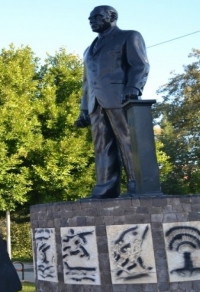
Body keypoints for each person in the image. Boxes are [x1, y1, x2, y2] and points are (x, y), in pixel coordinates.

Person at [74, 5, 150, 199]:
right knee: (102, 146)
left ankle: (137, 184)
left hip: (120, 97)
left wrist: (133, 88)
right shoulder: (88, 50)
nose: (92, 21)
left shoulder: (129, 36)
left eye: (97, 17)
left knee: (128, 142)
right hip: (95, 103)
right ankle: (106, 186)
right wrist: (84, 109)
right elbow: (86, 82)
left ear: (112, 16)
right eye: (90, 18)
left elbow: (140, 65)